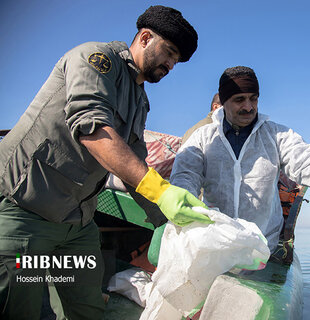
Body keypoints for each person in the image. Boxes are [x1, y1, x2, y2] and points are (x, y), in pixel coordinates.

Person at [0, 5, 211, 320]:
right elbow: (94, 129)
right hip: (27, 215)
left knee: (87, 309)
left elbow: (134, 162)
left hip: (78, 226)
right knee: (20, 310)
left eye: (176, 60)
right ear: (144, 37)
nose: (170, 64)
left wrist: (167, 222)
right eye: (169, 52)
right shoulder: (96, 60)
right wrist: (163, 192)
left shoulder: (140, 100)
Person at [170, 66, 310, 254]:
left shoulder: (275, 136)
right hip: (215, 243)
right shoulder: (203, 137)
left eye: (253, 98)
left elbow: (308, 163)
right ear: (223, 102)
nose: (248, 107)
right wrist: (183, 203)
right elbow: (186, 175)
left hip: (263, 247)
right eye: (239, 100)